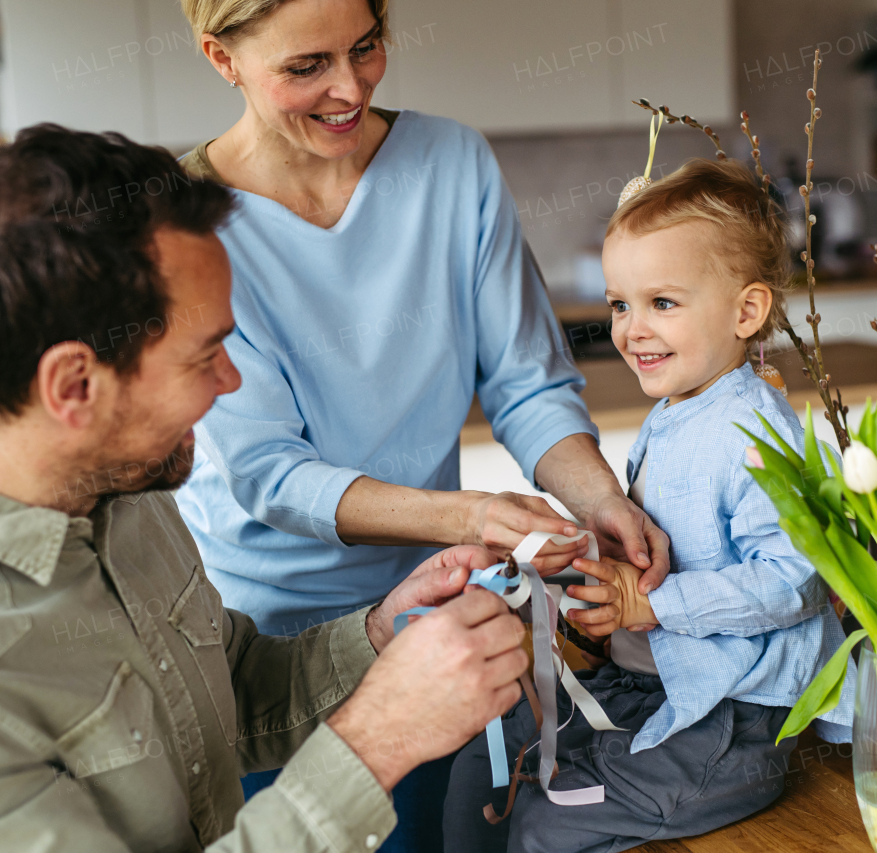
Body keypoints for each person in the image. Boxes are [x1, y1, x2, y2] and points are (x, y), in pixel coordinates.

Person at [0, 124, 531, 853]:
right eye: (205, 354)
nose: (233, 380)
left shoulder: (122, 485)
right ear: (73, 385)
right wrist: (378, 739)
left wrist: (379, 634)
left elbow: (218, 695)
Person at [173, 0, 670, 832]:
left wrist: (599, 500)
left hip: (438, 617)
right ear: (221, 59)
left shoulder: (450, 164)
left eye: (366, 48)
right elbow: (269, 474)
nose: (348, 88)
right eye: (306, 67)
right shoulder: (188, 221)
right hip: (263, 651)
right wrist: (471, 512)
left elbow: (529, 385)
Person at [442, 159, 857, 852]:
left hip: (729, 720)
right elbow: (663, 551)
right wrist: (587, 570)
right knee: (481, 760)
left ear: (746, 311)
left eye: (662, 303)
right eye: (619, 304)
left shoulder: (754, 432)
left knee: (546, 825)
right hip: (649, 687)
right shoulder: (676, 409)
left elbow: (799, 579)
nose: (632, 328)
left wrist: (648, 606)